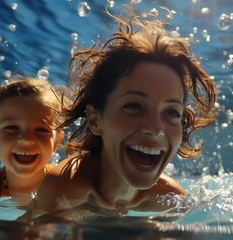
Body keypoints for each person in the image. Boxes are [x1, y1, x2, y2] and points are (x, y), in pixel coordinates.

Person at [33, 7, 217, 218]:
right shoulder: (63, 192)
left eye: (171, 112)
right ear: (95, 120)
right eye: (134, 106)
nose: (155, 129)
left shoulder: (170, 201)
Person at [0, 76, 65, 205]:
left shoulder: (62, 184)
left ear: (57, 142)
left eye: (41, 130)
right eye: (12, 128)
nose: (26, 139)